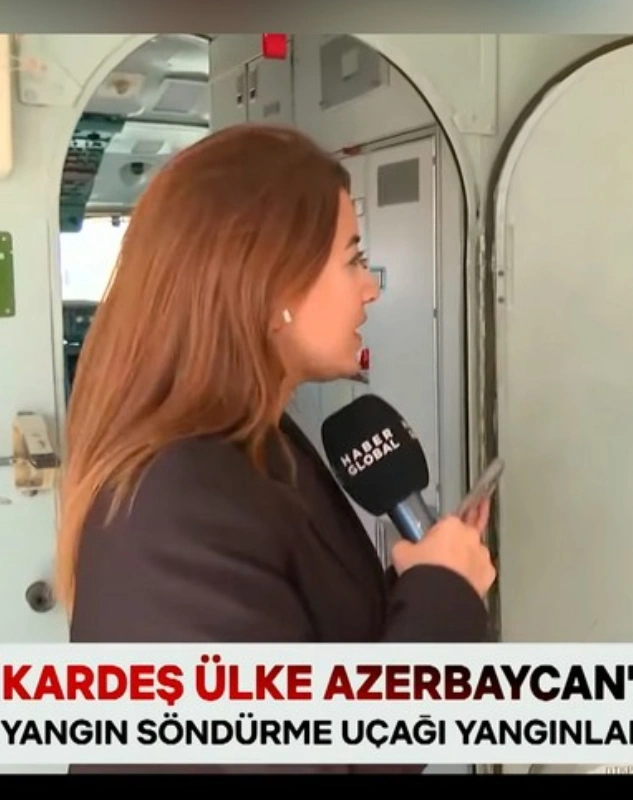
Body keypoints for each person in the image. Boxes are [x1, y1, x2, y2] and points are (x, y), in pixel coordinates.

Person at [58, 123, 496, 773]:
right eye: (351, 259)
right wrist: (442, 598)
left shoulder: (257, 444)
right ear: (270, 287)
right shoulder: (175, 502)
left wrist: (421, 579)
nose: (371, 286)